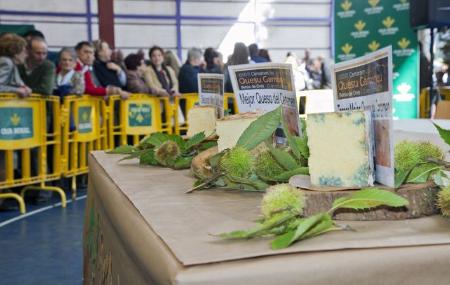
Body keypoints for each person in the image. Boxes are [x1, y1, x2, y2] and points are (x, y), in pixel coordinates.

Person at [0, 33, 32, 97]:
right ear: (15, 52)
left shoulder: (11, 63)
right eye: (24, 51)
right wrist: (16, 90)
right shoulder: (6, 62)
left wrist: (24, 88)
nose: (26, 55)